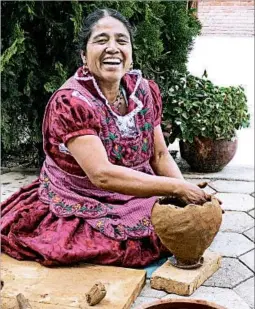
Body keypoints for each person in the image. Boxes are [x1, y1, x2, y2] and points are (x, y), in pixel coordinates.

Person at [1, 8, 212, 267]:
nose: (112, 48)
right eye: (101, 40)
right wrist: (176, 188)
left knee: (178, 225)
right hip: (83, 195)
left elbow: (159, 155)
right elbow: (101, 175)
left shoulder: (143, 92)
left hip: (135, 190)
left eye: (121, 41)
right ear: (83, 55)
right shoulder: (71, 102)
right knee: (97, 247)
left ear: (130, 56)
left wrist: (186, 199)